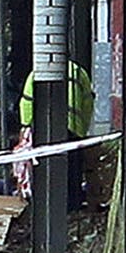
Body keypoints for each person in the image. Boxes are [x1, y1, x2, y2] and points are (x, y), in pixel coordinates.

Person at [18, 60, 95, 210]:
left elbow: (26, 102)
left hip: (42, 132)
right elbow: (88, 104)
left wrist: (26, 127)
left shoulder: (37, 73)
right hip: (73, 132)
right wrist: (81, 130)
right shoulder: (79, 72)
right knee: (72, 172)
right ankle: (72, 205)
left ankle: (42, 204)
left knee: (43, 171)